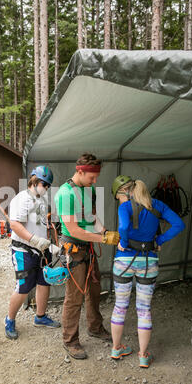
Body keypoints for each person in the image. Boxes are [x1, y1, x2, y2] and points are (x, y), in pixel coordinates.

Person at [110, 175, 185, 368]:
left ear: (127, 191)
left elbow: (124, 226)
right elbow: (179, 224)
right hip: (148, 261)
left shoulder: (125, 207)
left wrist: (124, 243)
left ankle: (116, 348)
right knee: (144, 309)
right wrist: (158, 241)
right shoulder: (158, 205)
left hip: (124, 261)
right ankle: (143, 355)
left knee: (120, 306)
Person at [54, 153, 119, 360]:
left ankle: (95, 327)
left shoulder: (87, 189)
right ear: (80, 171)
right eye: (92, 177)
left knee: (94, 288)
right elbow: (73, 230)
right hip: (73, 248)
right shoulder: (65, 194)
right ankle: (70, 340)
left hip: (88, 246)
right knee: (74, 297)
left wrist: (104, 231)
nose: (95, 181)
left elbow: (91, 217)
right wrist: (102, 239)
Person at [4, 166, 61, 340]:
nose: (46, 187)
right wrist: (34, 240)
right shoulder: (22, 199)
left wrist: (50, 244)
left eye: (48, 185)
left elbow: (42, 225)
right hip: (24, 250)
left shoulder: (42, 200)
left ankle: (40, 317)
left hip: (41, 250)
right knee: (23, 287)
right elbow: (14, 225)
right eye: (44, 183)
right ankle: (10, 320)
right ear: (34, 180)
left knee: (44, 282)